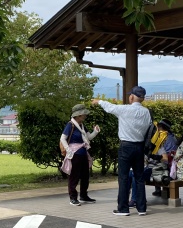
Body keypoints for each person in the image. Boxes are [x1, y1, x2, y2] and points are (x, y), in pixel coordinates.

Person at [92, 86, 154, 216]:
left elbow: (110, 107)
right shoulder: (146, 112)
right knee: (139, 178)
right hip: (140, 147)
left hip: (126, 146)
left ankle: (123, 208)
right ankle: (141, 208)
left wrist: (98, 101)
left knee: (124, 177)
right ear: (142, 98)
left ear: (132, 97)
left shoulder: (124, 109)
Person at [60, 103, 100, 206]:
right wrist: (68, 150)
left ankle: (83, 196)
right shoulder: (70, 125)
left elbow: (89, 137)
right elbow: (63, 138)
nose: (85, 115)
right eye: (84, 114)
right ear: (78, 115)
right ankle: (73, 198)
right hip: (75, 154)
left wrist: (95, 132)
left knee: (85, 176)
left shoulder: (82, 125)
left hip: (83, 153)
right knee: (74, 176)